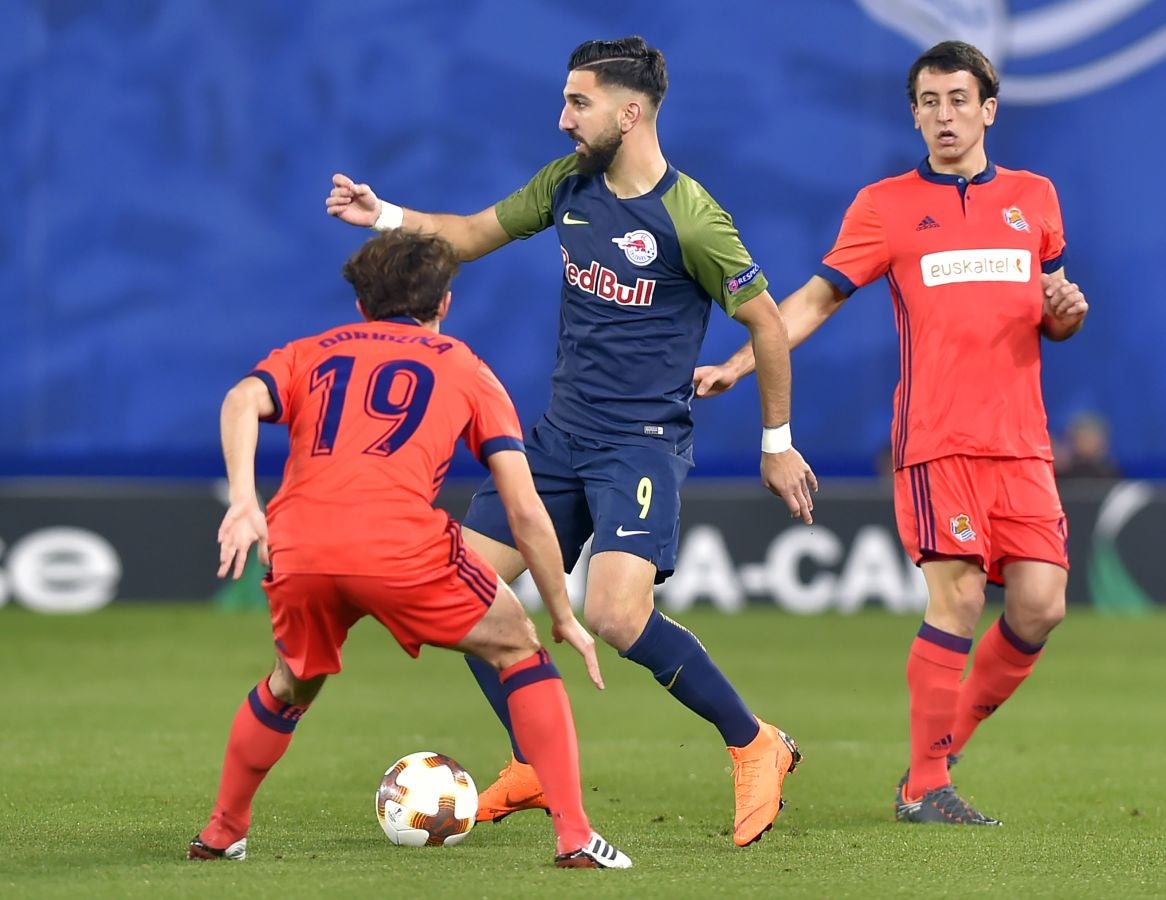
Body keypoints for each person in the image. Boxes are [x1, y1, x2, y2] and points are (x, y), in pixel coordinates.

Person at [325, 36, 816, 848]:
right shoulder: (568, 185)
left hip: (639, 445)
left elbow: (765, 321)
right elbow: (472, 233)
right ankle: (530, 765)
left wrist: (777, 442)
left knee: (617, 615)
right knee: (463, 597)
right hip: (559, 439)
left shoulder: (691, 217)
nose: (562, 120)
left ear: (631, 112)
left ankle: (755, 742)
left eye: (577, 103)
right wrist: (383, 213)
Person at [694, 41, 1088, 825]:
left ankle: (942, 744)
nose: (945, 115)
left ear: (988, 110)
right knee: (961, 597)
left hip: (1023, 442)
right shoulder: (885, 205)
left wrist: (1065, 315)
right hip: (938, 439)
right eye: (930, 102)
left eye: (958, 100)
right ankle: (925, 785)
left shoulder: (1035, 200)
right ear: (914, 113)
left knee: (1041, 606)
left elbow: (1050, 307)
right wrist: (742, 362)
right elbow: (815, 299)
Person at [188, 229, 631, 869]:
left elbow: (239, 400)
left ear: (363, 305)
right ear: (444, 304)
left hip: (300, 542)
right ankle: (575, 839)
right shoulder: (465, 368)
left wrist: (242, 500)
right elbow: (524, 507)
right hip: (400, 547)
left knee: (293, 681)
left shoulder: (310, 352)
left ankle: (223, 832)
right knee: (518, 649)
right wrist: (561, 612)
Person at [1055, 411, 1121, 480]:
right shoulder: (1064, 471)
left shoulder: (1109, 472)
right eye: (1083, 437)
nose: (1087, 442)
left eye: (1091, 437)